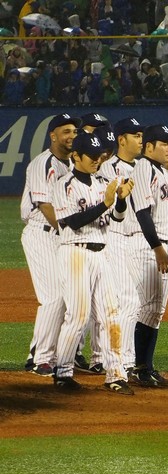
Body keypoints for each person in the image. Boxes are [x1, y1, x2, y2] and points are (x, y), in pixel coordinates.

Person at [50, 131, 135, 394]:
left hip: (102, 253)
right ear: (76, 156)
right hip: (74, 253)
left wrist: (120, 201)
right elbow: (72, 222)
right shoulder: (63, 184)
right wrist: (106, 202)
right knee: (78, 315)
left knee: (111, 313)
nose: (97, 161)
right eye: (91, 156)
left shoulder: (103, 182)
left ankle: (116, 374)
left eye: (100, 156)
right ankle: (63, 372)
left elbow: (118, 219)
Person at [129, 124, 168, 387]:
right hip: (148, 247)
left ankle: (145, 367)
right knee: (145, 309)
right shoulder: (143, 168)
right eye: (164, 143)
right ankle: (137, 367)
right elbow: (143, 213)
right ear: (149, 147)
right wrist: (158, 248)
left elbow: (165, 214)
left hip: (162, 245)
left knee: (155, 310)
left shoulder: (163, 172)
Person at [20, 114, 80, 377]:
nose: (71, 136)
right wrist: (67, 232)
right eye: (65, 131)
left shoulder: (73, 164)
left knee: (68, 298)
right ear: (52, 135)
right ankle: (40, 359)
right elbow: (45, 206)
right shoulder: (42, 164)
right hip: (42, 233)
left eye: (74, 131)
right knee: (54, 297)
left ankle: (41, 351)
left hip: (60, 235)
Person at [96, 117, 147, 376]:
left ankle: (122, 359)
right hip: (113, 236)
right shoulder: (107, 169)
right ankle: (122, 361)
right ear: (121, 139)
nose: (140, 139)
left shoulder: (144, 167)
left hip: (137, 242)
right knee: (127, 300)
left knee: (134, 302)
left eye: (141, 135)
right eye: (134, 135)